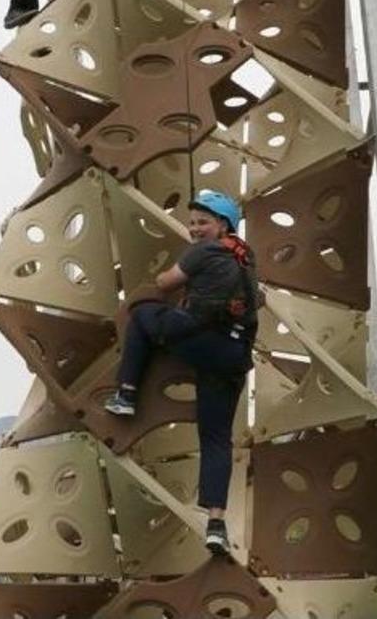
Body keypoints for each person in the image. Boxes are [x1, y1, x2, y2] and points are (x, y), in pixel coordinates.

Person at [104, 190, 261, 555]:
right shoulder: (247, 258)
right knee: (216, 439)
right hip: (233, 356)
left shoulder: (204, 251)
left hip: (198, 339)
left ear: (223, 225)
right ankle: (216, 524)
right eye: (191, 223)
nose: (194, 229)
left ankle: (126, 394)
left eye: (202, 222)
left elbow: (164, 283)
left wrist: (172, 280)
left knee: (142, 314)